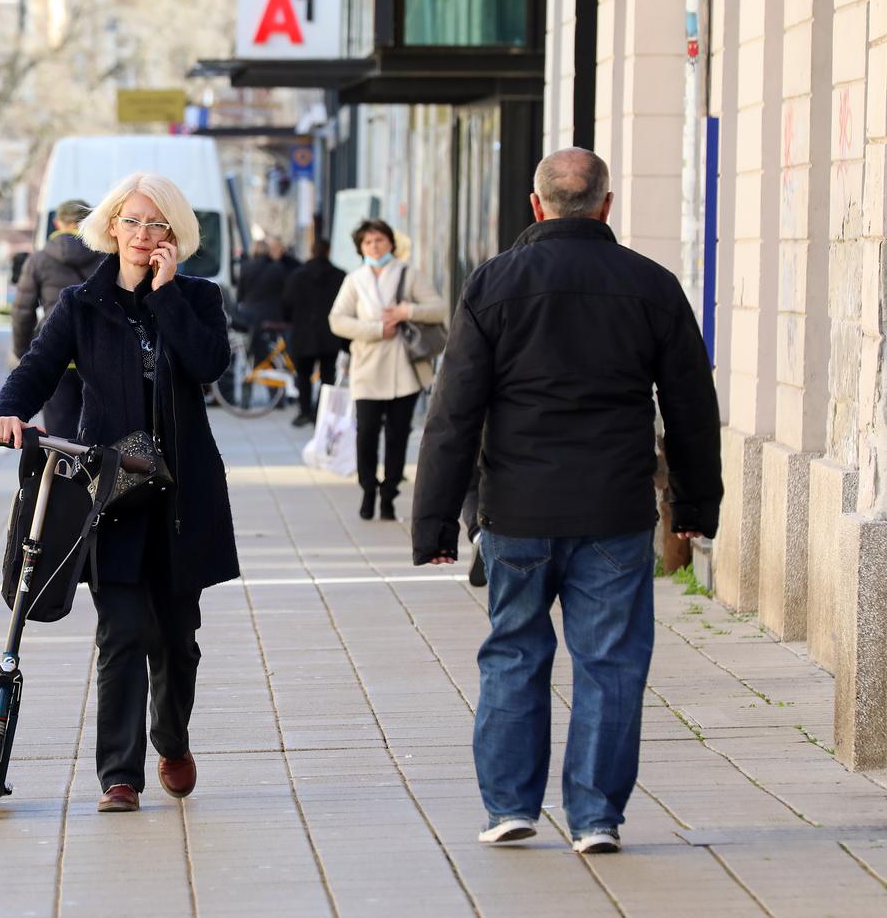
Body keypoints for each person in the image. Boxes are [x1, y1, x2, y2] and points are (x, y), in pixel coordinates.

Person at [410, 148, 722, 855]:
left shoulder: (494, 283)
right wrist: (696, 506)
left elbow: (454, 412)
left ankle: (509, 807)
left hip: (517, 509)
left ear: (537, 204)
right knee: (611, 665)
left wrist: (434, 524)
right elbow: (690, 407)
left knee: (513, 655)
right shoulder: (651, 285)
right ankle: (595, 817)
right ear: (606, 205)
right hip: (615, 511)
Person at [0, 171, 239, 815]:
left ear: (174, 234)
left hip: (181, 496)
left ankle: (171, 740)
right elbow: (37, 366)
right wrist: (7, 411)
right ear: (111, 226)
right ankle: (119, 776)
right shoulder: (82, 304)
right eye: (132, 221)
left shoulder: (198, 297)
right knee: (120, 633)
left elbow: (210, 365)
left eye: (157, 224)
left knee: (177, 642)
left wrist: (168, 293)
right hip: (113, 493)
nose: (142, 234)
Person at [327, 219, 446, 521]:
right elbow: (337, 320)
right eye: (368, 242)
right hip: (366, 370)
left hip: (403, 371)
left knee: (398, 434)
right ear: (360, 248)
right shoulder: (355, 280)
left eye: (379, 240)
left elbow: (439, 309)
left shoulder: (408, 274)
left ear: (391, 243)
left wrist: (408, 311)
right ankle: (368, 489)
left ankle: (389, 494)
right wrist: (376, 329)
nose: (375, 247)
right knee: (366, 433)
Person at [11, 198, 102, 437]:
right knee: (101, 432)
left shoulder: (38, 259)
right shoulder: (106, 257)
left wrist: (23, 352)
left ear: (57, 223)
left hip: (55, 353)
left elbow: (23, 311)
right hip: (99, 354)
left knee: (59, 434)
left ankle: (62, 462)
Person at [280, 238, 347, 427]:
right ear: (328, 251)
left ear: (312, 251)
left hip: (303, 333)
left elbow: (286, 303)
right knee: (327, 375)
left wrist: (292, 320)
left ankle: (304, 411)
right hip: (330, 334)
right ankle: (321, 412)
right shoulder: (340, 276)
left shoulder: (297, 275)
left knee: (303, 375)